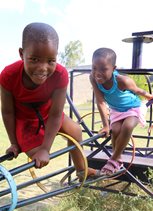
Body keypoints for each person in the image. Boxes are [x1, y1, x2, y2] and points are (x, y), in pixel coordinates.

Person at [0, 22, 96, 180]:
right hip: (25, 120)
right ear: (21, 54)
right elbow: (8, 112)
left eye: (51, 60)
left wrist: (47, 148)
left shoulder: (60, 74)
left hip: (49, 113)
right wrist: (14, 143)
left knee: (75, 130)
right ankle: (34, 147)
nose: (43, 67)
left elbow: (56, 113)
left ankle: (81, 170)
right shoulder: (8, 75)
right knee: (36, 153)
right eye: (34, 59)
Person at [90, 47, 153, 176]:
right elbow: (100, 102)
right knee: (115, 130)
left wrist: (149, 96)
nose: (97, 73)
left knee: (128, 126)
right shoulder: (93, 78)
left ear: (114, 68)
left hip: (133, 108)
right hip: (116, 111)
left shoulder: (122, 81)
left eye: (103, 69)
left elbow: (138, 90)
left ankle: (113, 160)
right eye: (94, 68)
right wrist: (106, 125)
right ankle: (118, 159)